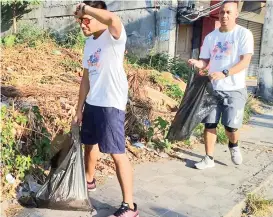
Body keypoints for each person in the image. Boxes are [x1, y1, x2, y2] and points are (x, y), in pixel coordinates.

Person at [73, 1, 139, 216]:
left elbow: (113, 19)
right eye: (80, 22)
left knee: (117, 153)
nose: (83, 25)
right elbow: (85, 78)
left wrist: (87, 9)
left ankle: (129, 206)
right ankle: (89, 182)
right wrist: (79, 108)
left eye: (86, 21)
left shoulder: (114, 37)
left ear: (99, 16)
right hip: (93, 102)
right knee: (89, 145)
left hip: (111, 104)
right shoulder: (90, 43)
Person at [188, 0, 254, 170]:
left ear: (236, 14)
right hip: (212, 89)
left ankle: (233, 145)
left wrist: (225, 73)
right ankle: (208, 158)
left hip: (235, 89)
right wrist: (198, 63)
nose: (224, 15)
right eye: (222, 12)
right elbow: (205, 61)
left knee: (231, 127)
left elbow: (245, 62)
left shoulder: (243, 34)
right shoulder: (211, 37)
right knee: (209, 124)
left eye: (228, 12)